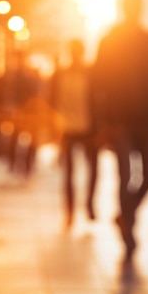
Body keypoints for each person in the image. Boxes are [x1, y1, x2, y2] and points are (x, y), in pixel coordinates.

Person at [92, 0, 148, 262]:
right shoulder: (110, 41)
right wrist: (103, 122)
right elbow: (98, 83)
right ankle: (129, 233)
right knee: (125, 176)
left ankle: (125, 215)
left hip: (147, 120)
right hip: (120, 121)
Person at [51, 39, 99, 229]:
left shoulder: (91, 74)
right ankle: (69, 211)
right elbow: (52, 100)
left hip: (88, 128)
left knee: (93, 169)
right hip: (67, 128)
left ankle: (89, 204)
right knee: (69, 172)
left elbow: (98, 100)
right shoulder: (60, 74)